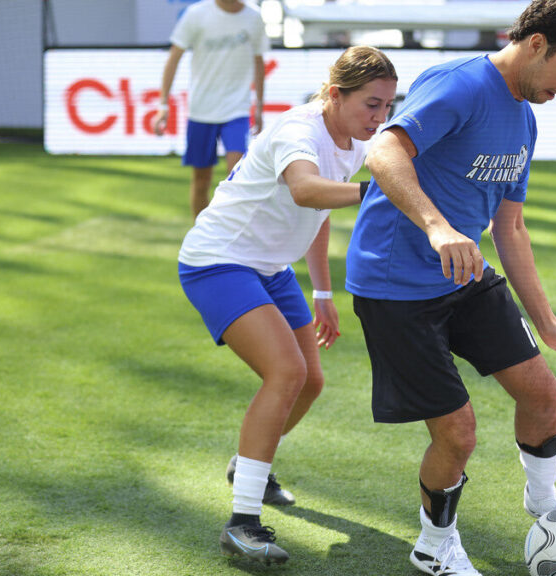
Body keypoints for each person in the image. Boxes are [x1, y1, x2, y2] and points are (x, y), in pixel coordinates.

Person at [344, 1, 556, 574]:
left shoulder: (525, 120)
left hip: (464, 278)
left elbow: (510, 227)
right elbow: (383, 150)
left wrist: (548, 323)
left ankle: (544, 503)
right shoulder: (461, 85)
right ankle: (434, 545)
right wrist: (437, 226)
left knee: (543, 395)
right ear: (538, 43)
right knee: (458, 433)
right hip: (395, 286)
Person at [177, 46, 398, 565]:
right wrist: (377, 191)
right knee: (286, 372)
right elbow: (305, 191)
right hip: (218, 261)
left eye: (388, 106)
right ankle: (242, 524)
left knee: (311, 381)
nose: (380, 117)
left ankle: (247, 464)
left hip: (270, 268)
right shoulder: (299, 130)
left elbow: (319, 212)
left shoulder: (354, 140)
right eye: (371, 104)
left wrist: (322, 292)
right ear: (335, 94)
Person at [152, 0, 268, 219]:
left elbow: (259, 61)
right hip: (201, 110)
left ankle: (233, 232)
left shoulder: (253, 16)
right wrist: (163, 105)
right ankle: (201, 234)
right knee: (201, 180)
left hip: (237, 109)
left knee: (238, 178)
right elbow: (173, 59)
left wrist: (259, 107)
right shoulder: (196, 14)